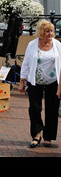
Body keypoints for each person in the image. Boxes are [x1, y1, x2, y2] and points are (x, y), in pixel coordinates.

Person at [19, 19, 61, 148]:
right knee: (34, 108)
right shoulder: (32, 44)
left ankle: (48, 136)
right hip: (35, 81)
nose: (50, 34)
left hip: (53, 82)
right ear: (41, 32)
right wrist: (22, 81)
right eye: (47, 31)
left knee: (52, 109)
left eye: (51, 31)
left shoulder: (57, 45)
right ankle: (36, 134)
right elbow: (26, 63)